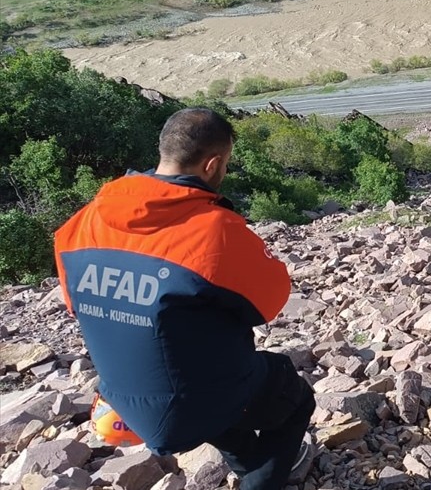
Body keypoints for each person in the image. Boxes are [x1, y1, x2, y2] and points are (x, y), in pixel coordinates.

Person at [54, 108, 315, 490]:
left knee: (207, 386)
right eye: (224, 165)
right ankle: (261, 482)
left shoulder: (80, 223)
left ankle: (251, 464)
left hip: (121, 396)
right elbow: (270, 303)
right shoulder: (213, 230)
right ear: (213, 164)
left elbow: (78, 304)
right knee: (293, 396)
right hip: (188, 400)